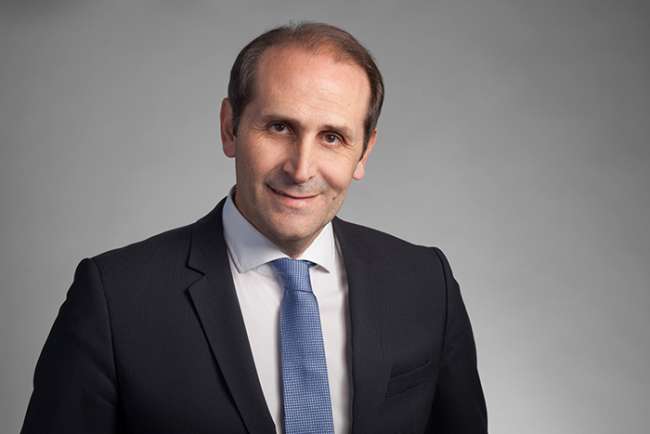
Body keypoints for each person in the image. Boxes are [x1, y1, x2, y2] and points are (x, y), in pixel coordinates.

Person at [21, 22, 487, 434]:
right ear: (230, 128)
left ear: (363, 152)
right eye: (280, 127)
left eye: (332, 137)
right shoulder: (114, 299)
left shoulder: (426, 284)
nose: (301, 169)